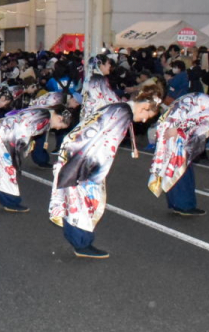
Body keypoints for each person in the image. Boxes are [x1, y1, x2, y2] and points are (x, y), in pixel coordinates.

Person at [50, 83, 163, 258]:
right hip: (85, 158)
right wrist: (95, 171)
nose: (144, 120)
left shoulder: (118, 108)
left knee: (76, 199)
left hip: (78, 152)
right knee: (85, 202)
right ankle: (81, 243)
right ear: (145, 106)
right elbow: (104, 145)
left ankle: (79, 239)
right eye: (148, 115)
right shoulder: (123, 113)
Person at [148, 92, 209, 216]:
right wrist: (178, 128)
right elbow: (197, 119)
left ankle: (176, 202)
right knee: (180, 166)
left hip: (173, 121)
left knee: (173, 164)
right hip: (176, 126)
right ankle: (183, 205)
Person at [0, 106, 73, 212]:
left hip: (2, 130)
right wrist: (21, 151)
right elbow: (24, 132)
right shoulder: (44, 119)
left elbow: (14, 113)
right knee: (8, 171)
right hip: (6, 136)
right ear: (59, 118)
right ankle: (10, 202)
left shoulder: (43, 111)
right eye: (60, 126)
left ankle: (5, 195)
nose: (57, 129)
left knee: (2, 167)